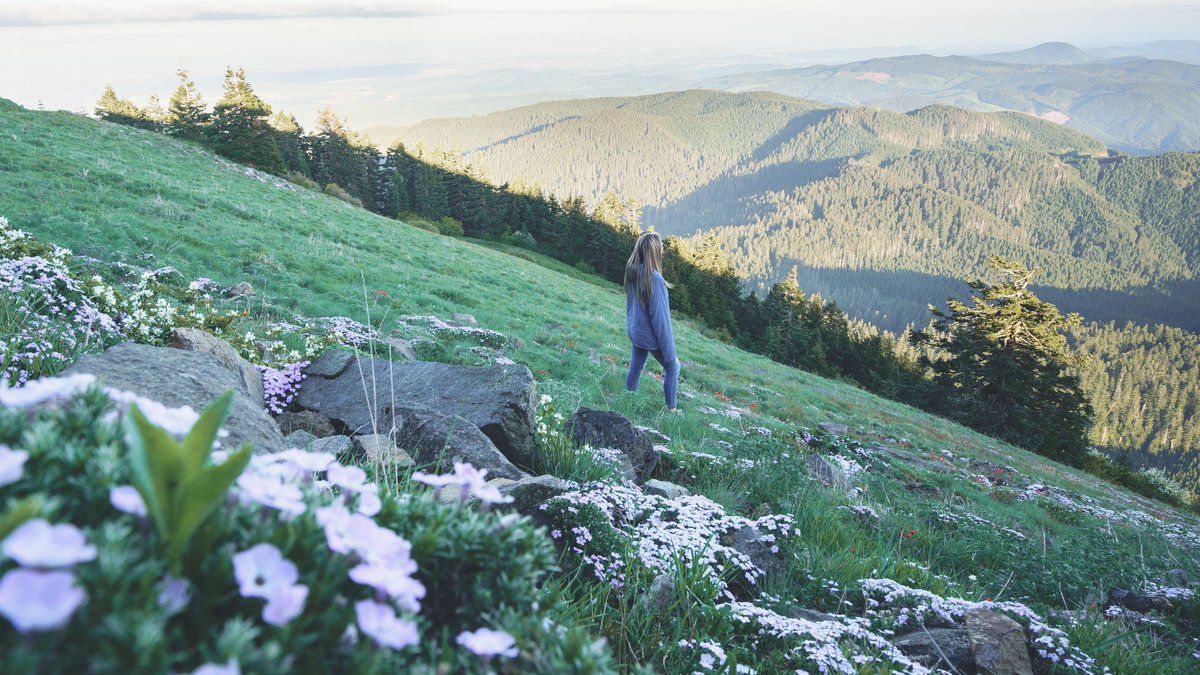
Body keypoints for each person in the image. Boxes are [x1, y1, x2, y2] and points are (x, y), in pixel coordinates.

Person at [624, 232, 679, 412]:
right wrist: (669, 353)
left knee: (636, 366)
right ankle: (671, 410)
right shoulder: (654, 279)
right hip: (647, 334)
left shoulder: (633, 271)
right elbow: (661, 320)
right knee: (673, 367)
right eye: (660, 250)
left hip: (636, 330)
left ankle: (629, 400)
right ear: (655, 252)